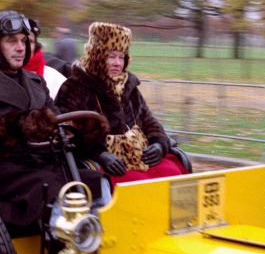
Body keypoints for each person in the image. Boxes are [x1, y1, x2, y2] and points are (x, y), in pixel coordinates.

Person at [0, 10, 110, 229]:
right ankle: (69, 247)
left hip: (44, 162)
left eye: (23, 41)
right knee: (49, 187)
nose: (21, 47)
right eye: (11, 41)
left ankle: (105, 240)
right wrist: (25, 125)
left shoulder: (36, 81)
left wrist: (86, 132)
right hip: (9, 170)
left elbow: (57, 119)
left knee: (94, 180)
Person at [55, 22, 188, 186]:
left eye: (121, 57)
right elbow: (66, 134)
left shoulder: (129, 85)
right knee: (136, 183)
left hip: (137, 153)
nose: (117, 63)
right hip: (101, 161)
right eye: (111, 56)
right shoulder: (74, 87)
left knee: (174, 170)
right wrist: (100, 154)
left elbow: (148, 120)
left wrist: (159, 144)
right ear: (97, 56)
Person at [24, 19, 66, 99]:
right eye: (13, 41)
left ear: (36, 45)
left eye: (30, 41)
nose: (22, 47)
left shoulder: (54, 77)